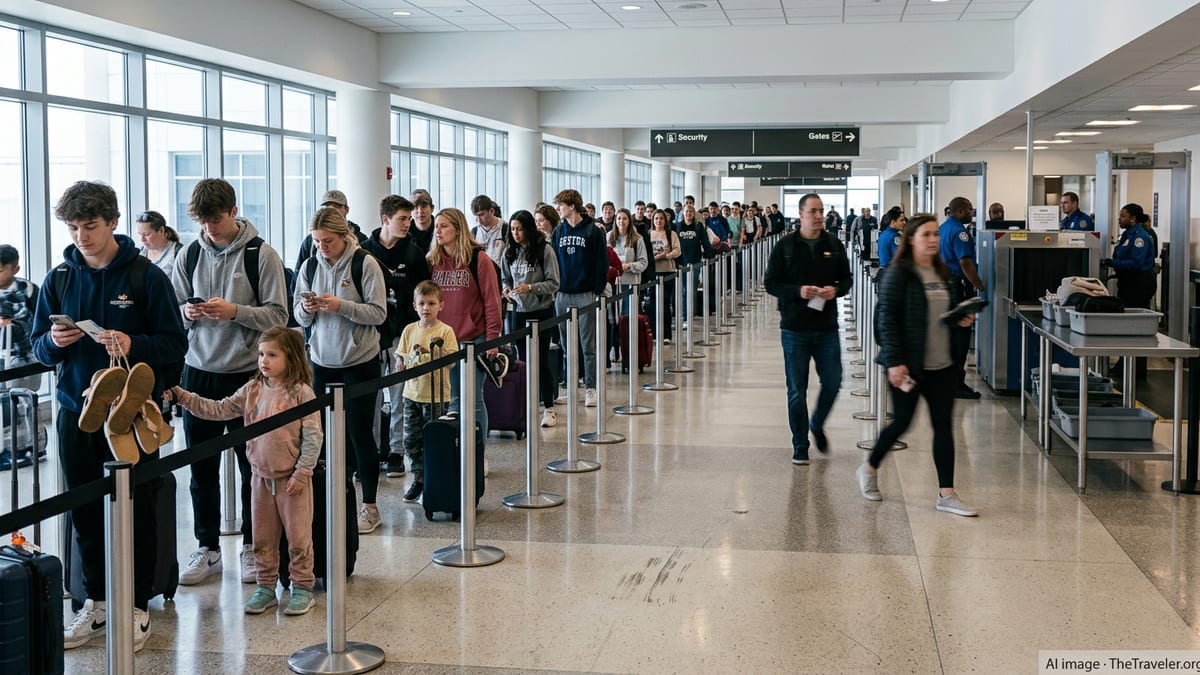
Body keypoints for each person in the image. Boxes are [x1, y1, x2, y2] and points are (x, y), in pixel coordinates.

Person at [33, 180, 187, 651]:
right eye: (74, 227)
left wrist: (132, 342)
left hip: (131, 414)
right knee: (84, 510)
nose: (82, 235)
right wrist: (53, 344)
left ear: (114, 222)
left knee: (138, 508)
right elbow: (37, 347)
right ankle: (96, 602)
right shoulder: (59, 279)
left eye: (91, 226)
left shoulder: (145, 277)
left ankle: (137, 604)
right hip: (75, 411)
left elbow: (176, 344)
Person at [171, 177, 289, 587]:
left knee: (252, 465)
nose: (211, 229)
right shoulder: (188, 255)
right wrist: (189, 314)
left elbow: (279, 317)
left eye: (216, 220)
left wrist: (235, 311)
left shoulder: (262, 256)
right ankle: (207, 547)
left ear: (233, 211)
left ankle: (254, 546)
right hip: (199, 371)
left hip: (249, 373)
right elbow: (174, 311)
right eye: (203, 222)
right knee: (200, 467)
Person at [169, 326, 323, 616]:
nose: (264, 360)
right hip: (260, 479)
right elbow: (220, 409)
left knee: (298, 538)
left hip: (293, 481)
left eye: (272, 355)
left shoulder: (300, 392)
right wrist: (185, 398)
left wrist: (303, 471)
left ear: (291, 357)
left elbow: (313, 436)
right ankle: (266, 587)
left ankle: (302, 587)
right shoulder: (253, 389)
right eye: (261, 354)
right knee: (262, 539)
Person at [857, 214, 979, 518]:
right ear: (911, 239)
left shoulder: (944, 274)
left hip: (941, 365)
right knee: (902, 422)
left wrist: (959, 317)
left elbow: (943, 314)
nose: (934, 240)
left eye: (936, 234)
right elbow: (885, 320)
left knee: (942, 426)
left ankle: (946, 494)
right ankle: (869, 468)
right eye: (926, 234)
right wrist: (895, 362)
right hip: (908, 365)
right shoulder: (900, 273)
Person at [295, 206, 388, 535]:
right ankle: (336, 498)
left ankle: (370, 505)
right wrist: (308, 309)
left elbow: (378, 313)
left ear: (344, 236)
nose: (322, 247)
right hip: (322, 361)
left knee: (359, 433)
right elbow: (298, 316)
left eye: (328, 241)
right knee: (322, 437)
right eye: (317, 241)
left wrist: (340, 305)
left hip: (360, 361)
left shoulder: (365, 263)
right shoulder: (308, 266)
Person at [764, 193, 852, 465]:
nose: (819, 216)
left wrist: (834, 290)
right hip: (794, 329)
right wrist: (797, 291)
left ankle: (817, 423)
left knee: (834, 381)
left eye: (821, 211)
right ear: (800, 214)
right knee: (796, 389)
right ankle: (800, 444)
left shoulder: (834, 244)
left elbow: (847, 280)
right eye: (813, 211)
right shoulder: (786, 246)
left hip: (825, 327)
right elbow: (771, 283)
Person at [361, 195, 431, 478]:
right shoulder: (365, 252)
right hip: (373, 336)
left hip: (403, 335)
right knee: (372, 398)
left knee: (401, 396)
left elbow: (423, 296)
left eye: (409, 219)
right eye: (402, 219)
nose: (408, 224)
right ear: (385, 219)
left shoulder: (413, 254)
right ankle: (372, 451)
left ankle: (396, 451)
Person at [428, 207, 503, 462]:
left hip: (473, 339)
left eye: (444, 226)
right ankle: (456, 453)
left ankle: (477, 455)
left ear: (458, 230)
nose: (438, 230)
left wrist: (493, 338)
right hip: (442, 341)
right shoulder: (433, 261)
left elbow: (492, 300)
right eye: (436, 226)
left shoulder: (478, 259)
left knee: (471, 399)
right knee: (451, 401)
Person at [394, 280, 459, 504]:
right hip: (412, 394)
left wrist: (437, 350)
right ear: (414, 306)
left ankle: (435, 477)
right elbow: (400, 355)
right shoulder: (409, 330)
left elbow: (451, 362)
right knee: (411, 439)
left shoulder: (445, 331)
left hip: (437, 396)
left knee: (434, 439)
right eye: (422, 303)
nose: (426, 308)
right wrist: (399, 363)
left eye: (431, 303)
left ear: (441, 305)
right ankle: (419, 477)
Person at [501, 210, 560, 427]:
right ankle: (526, 404)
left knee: (541, 360)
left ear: (529, 229)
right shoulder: (509, 252)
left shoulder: (545, 250)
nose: (516, 233)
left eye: (520, 229)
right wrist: (507, 290)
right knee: (523, 360)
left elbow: (554, 283)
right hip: (518, 312)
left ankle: (549, 407)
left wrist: (531, 288)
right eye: (513, 229)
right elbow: (505, 279)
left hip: (541, 311)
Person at [552, 189, 609, 408]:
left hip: (585, 293)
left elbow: (600, 261)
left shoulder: (593, 231)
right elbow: (556, 259)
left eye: (561, 205)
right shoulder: (559, 231)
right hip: (563, 294)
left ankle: (591, 387)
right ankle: (571, 385)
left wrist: (597, 288)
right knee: (567, 346)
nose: (558, 209)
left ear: (572, 206)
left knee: (588, 345)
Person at [938, 196, 985, 400]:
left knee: (949, 338)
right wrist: (980, 286)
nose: (972, 213)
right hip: (957, 288)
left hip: (944, 287)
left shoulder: (943, 228)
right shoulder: (960, 232)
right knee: (960, 337)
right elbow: (965, 263)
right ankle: (956, 384)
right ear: (959, 211)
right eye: (969, 209)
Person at [1109, 203, 1157, 381]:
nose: (1119, 218)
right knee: (1127, 325)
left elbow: (1136, 264)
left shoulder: (1140, 237)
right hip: (1128, 284)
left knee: (1136, 326)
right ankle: (1125, 363)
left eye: (1123, 216)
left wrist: (1112, 263)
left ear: (1133, 218)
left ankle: (1137, 368)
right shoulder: (1127, 235)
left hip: (1139, 284)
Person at [0, 244, 43, 395]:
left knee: (27, 394)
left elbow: (41, 317)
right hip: (2, 354)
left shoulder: (28, 289)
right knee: (5, 395)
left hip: (26, 354)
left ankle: (28, 417)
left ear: (15, 269)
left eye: (0, 271)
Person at [295, 190, 368, 271]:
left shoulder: (361, 240)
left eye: (336, 206)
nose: (331, 210)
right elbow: (297, 276)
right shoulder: (309, 241)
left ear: (346, 209)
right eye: (327, 207)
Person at [676, 202, 714, 321]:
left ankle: (690, 314)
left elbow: (705, 242)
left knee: (691, 289)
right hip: (681, 262)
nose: (688, 214)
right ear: (683, 213)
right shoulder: (677, 226)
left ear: (694, 214)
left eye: (691, 212)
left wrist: (709, 255)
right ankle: (683, 313)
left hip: (695, 260)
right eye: (686, 211)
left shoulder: (698, 227)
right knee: (682, 290)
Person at [647, 209, 680, 343]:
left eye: (661, 218)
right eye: (656, 218)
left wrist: (666, 255)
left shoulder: (671, 234)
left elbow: (677, 250)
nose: (658, 221)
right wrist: (653, 258)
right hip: (653, 271)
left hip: (668, 270)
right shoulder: (648, 234)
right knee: (653, 303)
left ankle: (666, 334)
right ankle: (654, 333)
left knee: (665, 302)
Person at [609, 208, 648, 317]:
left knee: (628, 315)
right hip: (613, 283)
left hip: (630, 282)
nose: (621, 221)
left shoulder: (637, 239)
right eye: (619, 218)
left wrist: (629, 266)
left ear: (629, 221)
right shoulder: (608, 237)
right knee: (613, 316)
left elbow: (643, 262)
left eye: (625, 218)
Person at [470, 194, 508, 265]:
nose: (478, 220)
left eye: (481, 215)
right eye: (476, 216)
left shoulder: (505, 228)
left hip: (500, 273)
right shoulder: (474, 232)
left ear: (492, 211)